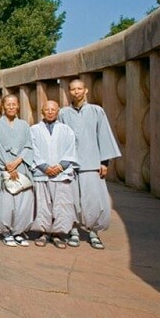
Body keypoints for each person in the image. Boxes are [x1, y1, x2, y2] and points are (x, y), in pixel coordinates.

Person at [58, 78, 121, 249]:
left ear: (86, 90)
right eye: (73, 89)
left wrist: (104, 162)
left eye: (79, 88)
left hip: (92, 163)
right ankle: (74, 231)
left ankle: (93, 232)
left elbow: (104, 135)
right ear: (69, 92)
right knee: (72, 200)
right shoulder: (63, 113)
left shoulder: (96, 111)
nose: (76, 92)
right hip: (70, 165)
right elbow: (60, 139)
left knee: (94, 200)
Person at [0, 94, 34, 246]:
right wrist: (7, 165)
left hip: (21, 167)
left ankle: (18, 231)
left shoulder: (25, 125)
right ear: (3, 106)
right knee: (4, 202)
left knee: (23, 201)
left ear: (18, 106)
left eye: (14, 104)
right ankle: (6, 231)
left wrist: (18, 161)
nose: (11, 107)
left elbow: (28, 146)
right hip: (3, 168)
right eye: (8, 104)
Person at [30, 100, 77, 249]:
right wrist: (44, 167)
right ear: (42, 111)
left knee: (62, 204)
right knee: (43, 204)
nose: (50, 112)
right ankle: (43, 233)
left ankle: (58, 234)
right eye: (47, 109)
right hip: (42, 173)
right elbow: (32, 149)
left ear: (58, 112)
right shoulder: (34, 130)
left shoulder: (66, 130)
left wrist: (60, 167)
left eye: (53, 110)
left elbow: (71, 150)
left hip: (61, 174)